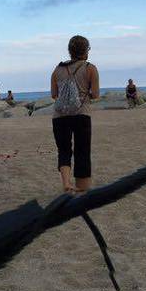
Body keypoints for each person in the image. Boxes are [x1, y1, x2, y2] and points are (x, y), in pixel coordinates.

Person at [51, 35, 99, 194]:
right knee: (82, 150)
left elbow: (54, 94)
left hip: (60, 116)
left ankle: (66, 183)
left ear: (70, 51)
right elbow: (96, 94)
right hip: (81, 114)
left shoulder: (57, 69)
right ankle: (82, 186)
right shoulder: (90, 68)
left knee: (64, 149)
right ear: (86, 50)